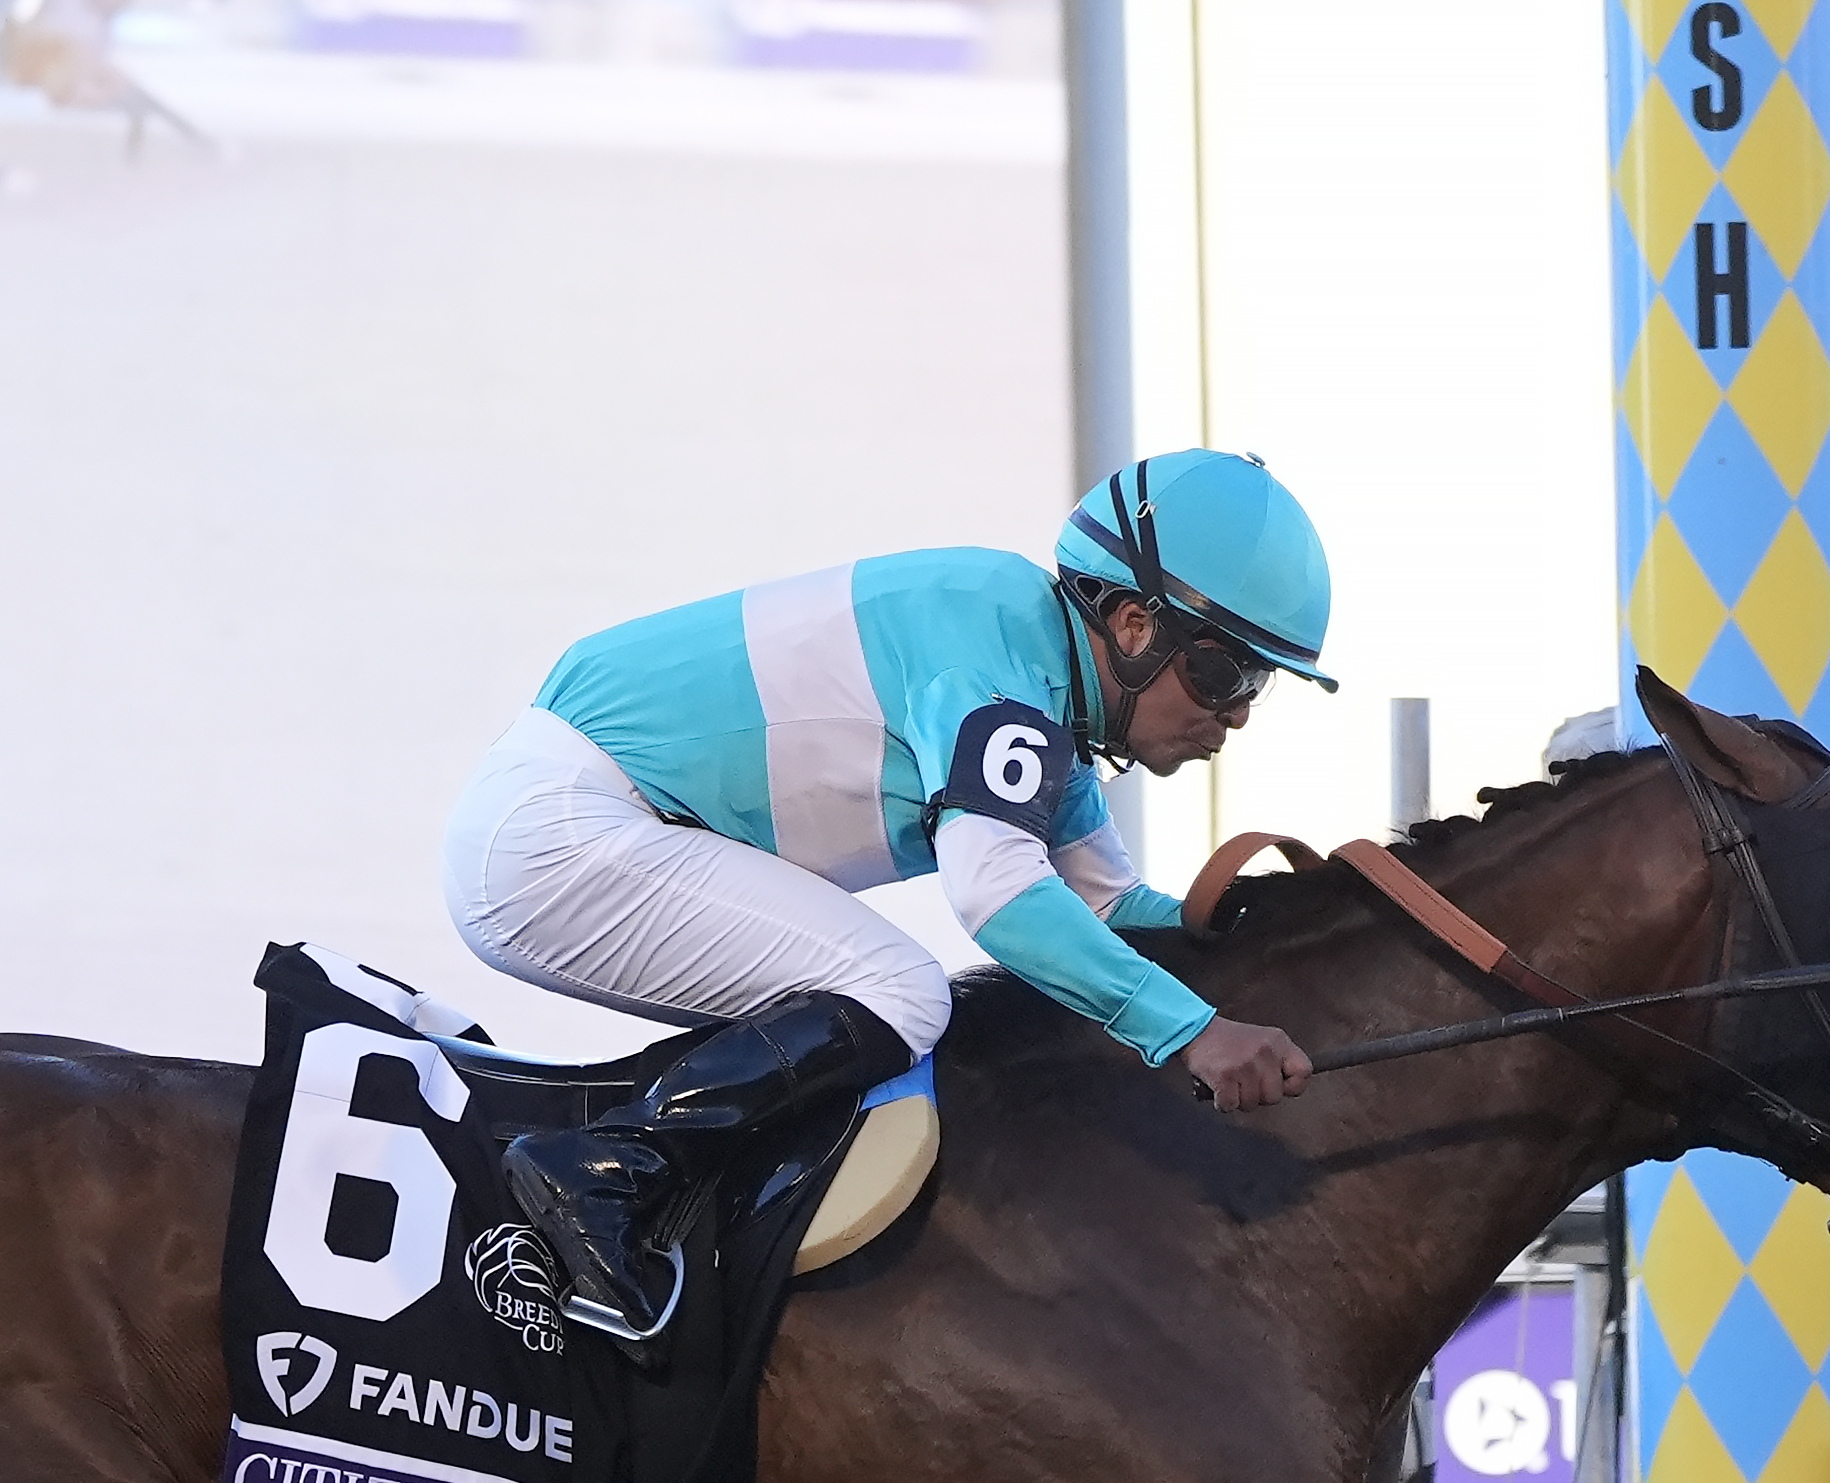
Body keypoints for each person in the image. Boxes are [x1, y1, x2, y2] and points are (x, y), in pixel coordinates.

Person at [447, 450, 1336, 1334]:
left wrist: (1272, 935)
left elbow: (1109, 910)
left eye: (1258, 685)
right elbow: (999, 895)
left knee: (879, 1004)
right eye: (1226, 674)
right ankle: (604, 1171)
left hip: (591, 823)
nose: (1237, 713)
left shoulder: (1039, 676)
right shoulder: (1003, 664)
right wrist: (1191, 1032)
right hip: (561, 833)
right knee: (900, 992)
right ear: (1135, 625)